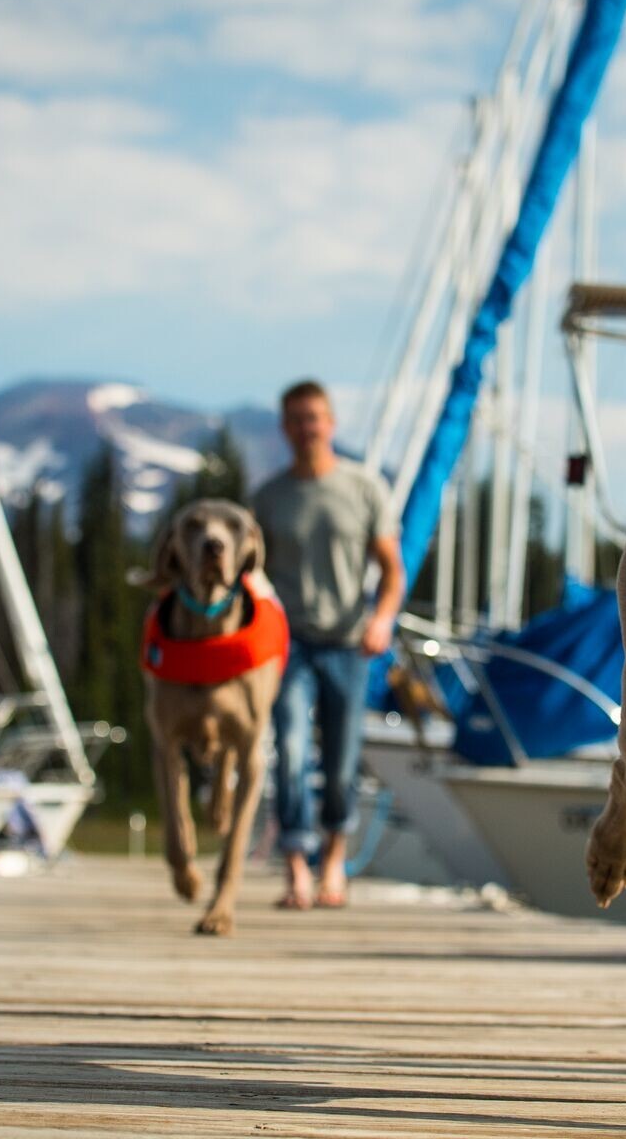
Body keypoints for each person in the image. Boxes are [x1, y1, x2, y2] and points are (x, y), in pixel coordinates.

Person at [251, 380, 404, 909]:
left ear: (330, 423)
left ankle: (333, 861)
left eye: (313, 417)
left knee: (341, 763)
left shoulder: (363, 488)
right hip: (287, 645)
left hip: (348, 644)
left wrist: (382, 620)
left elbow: (391, 571)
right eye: (294, 419)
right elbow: (253, 579)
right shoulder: (268, 499)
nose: (304, 428)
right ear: (284, 427)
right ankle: (296, 865)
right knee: (290, 749)